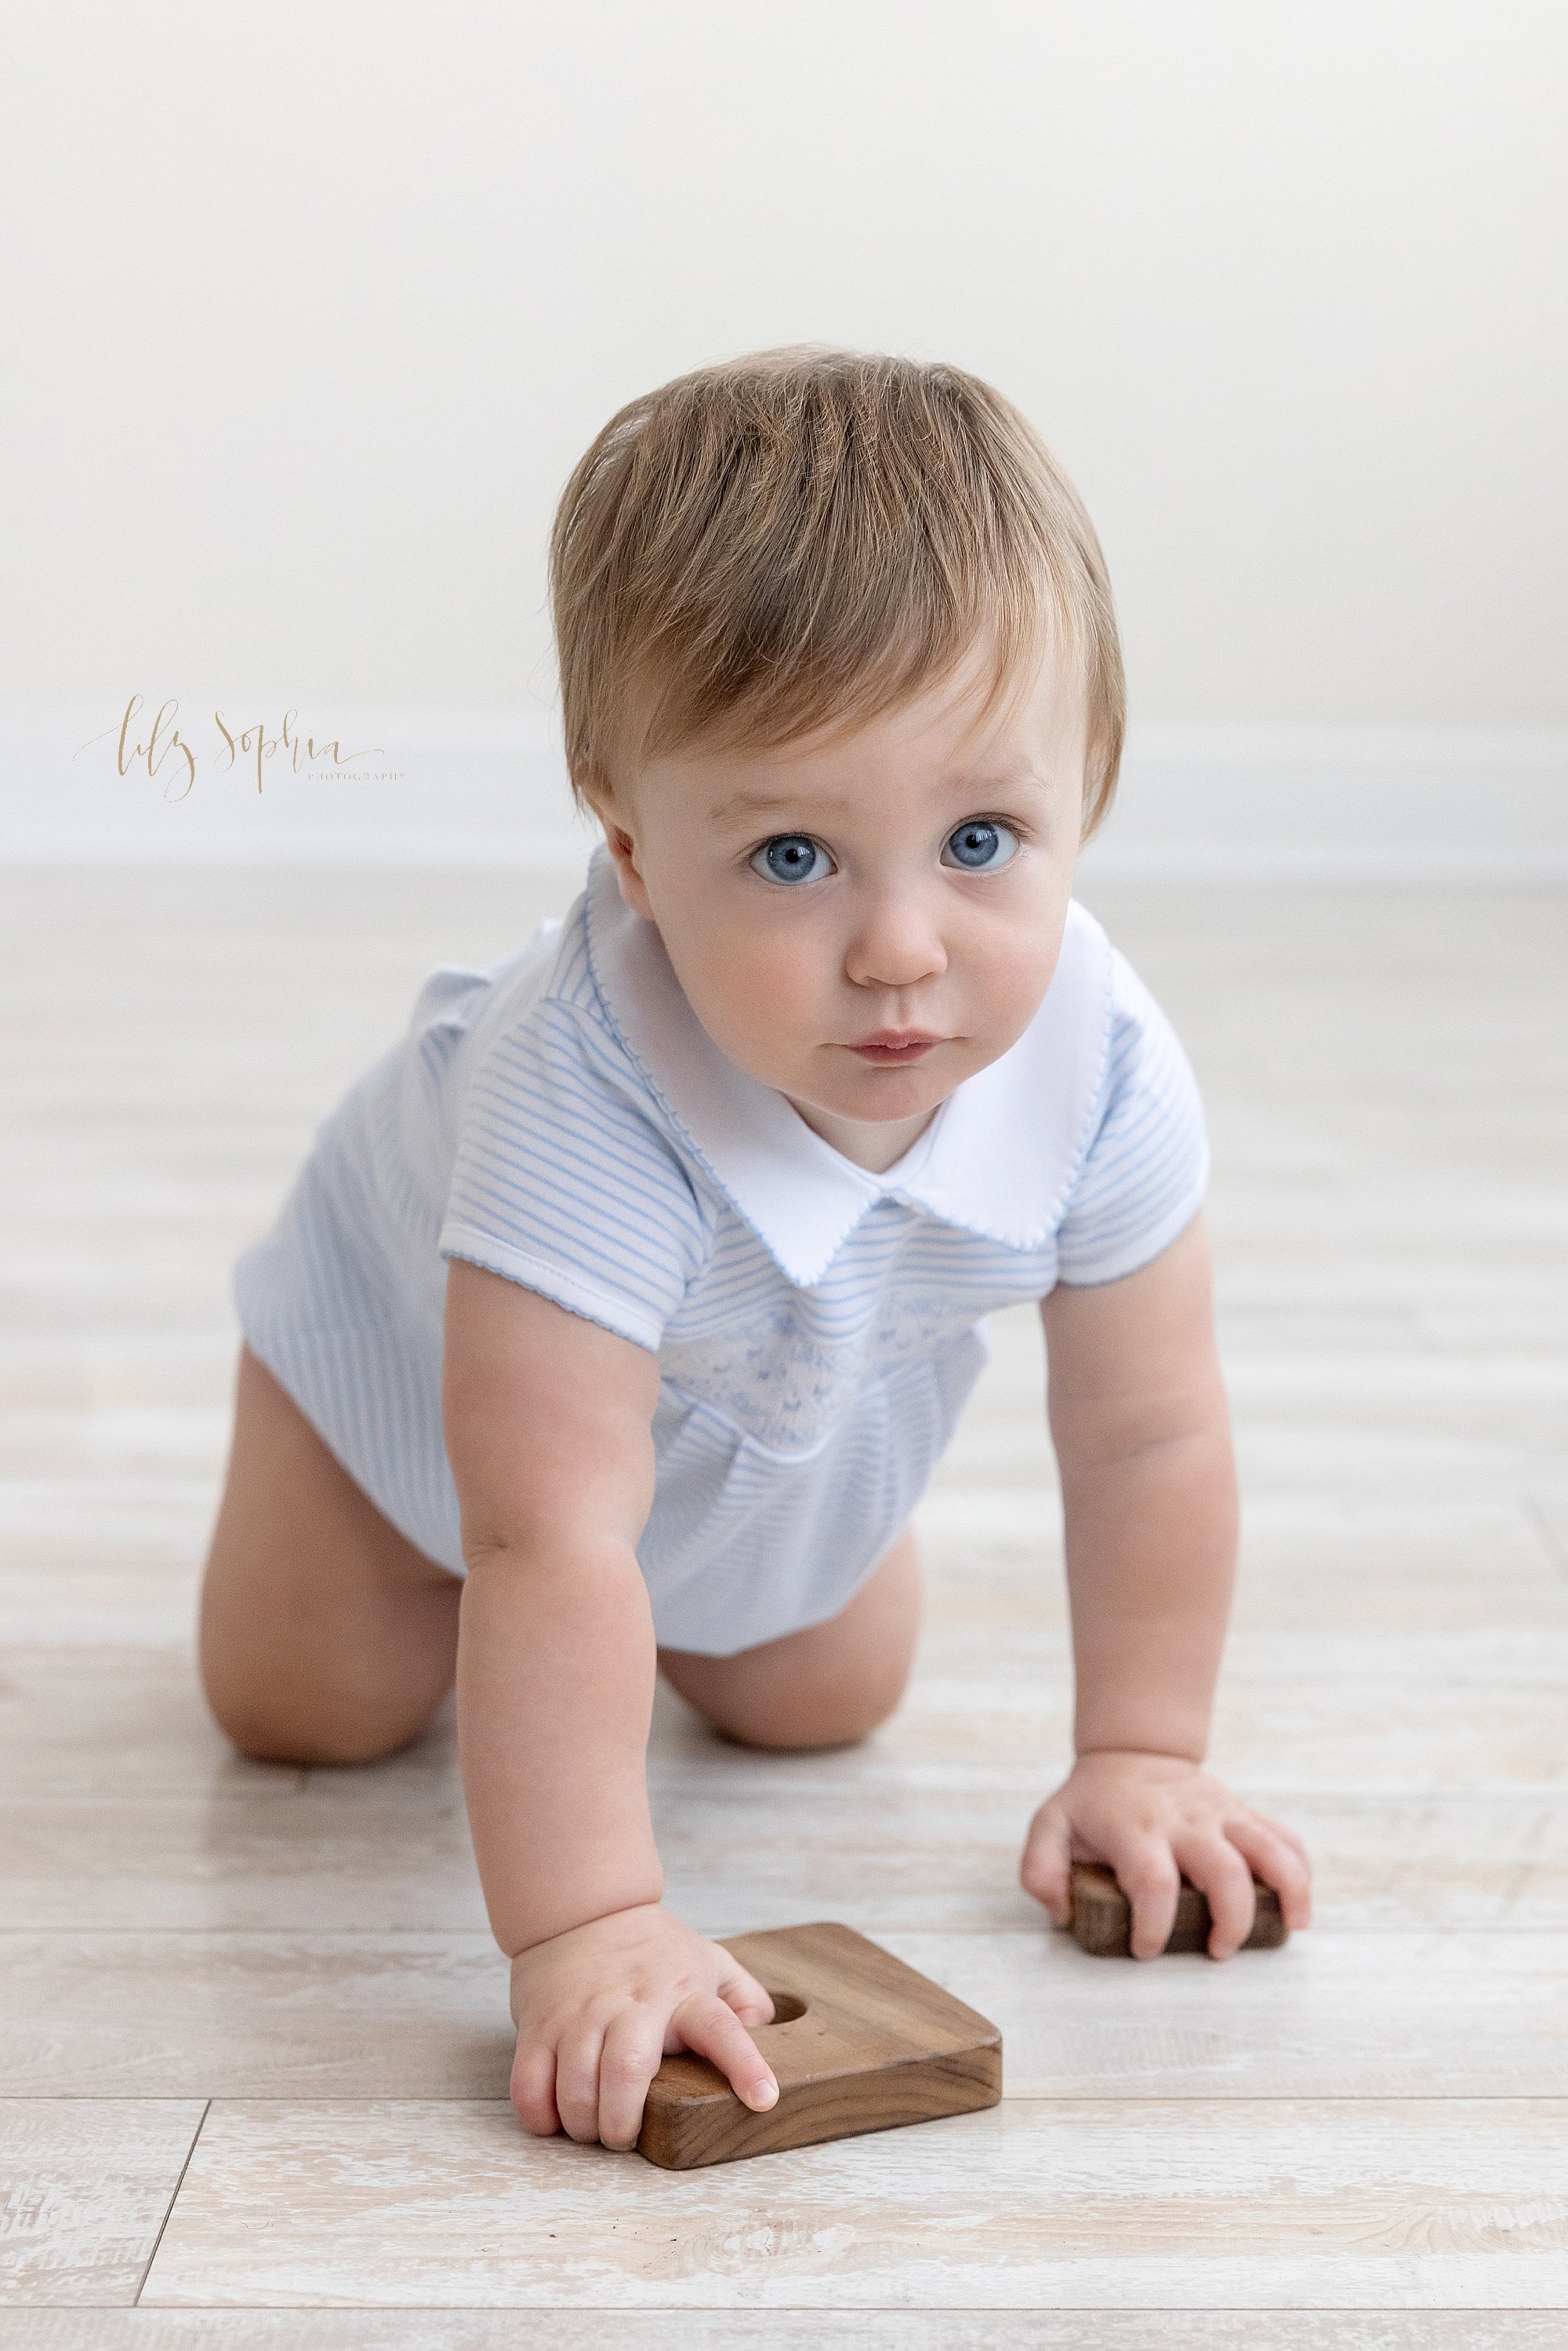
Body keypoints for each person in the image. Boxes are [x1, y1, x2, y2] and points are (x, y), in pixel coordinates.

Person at [198, 345, 1312, 2153]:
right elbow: (539, 1525)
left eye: (978, 839)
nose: (897, 946)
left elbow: (1148, 1436)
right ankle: (451, 1595)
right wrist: (588, 1923)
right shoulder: (578, 1096)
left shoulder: (1101, 1059)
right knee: (311, 1703)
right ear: (634, 849)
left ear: (1086, 786)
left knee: (818, 1694)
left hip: (775, 1384)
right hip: (423, 1392)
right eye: (792, 853)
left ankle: (656, 1608)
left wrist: (1143, 1751)